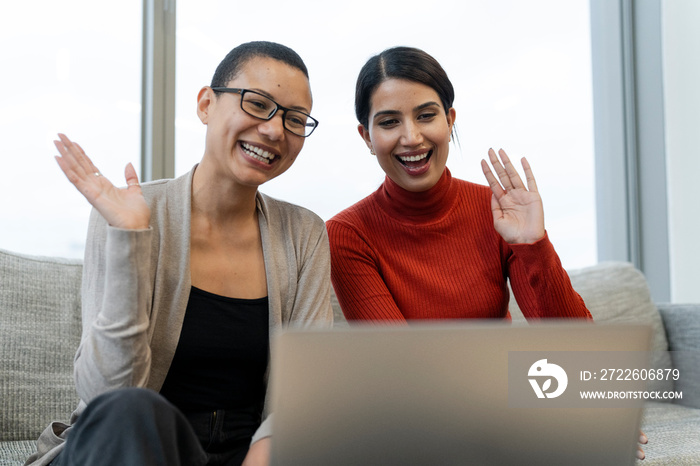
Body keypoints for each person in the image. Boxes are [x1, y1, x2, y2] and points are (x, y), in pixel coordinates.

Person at [326, 45, 649, 460]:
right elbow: (405, 373)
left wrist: (532, 245)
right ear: (367, 137)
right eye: (389, 122)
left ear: (450, 119)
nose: (411, 137)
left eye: (426, 115)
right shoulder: (347, 234)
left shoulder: (495, 210)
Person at [26, 41, 332, 466]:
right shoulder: (126, 213)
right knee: (133, 410)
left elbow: (306, 393)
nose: (275, 130)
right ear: (206, 104)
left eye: (294, 120)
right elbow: (106, 397)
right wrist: (130, 240)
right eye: (258, 104)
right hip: (127, 445)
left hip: (244, 456)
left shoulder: (304, 235)